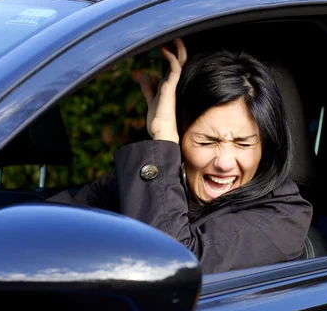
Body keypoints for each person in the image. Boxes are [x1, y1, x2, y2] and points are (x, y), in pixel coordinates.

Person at [49, 38, 312, 274]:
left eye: (243, 144)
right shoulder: (160, 175)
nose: (224, 162)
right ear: (181, 134)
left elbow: (169, 265)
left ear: (265, 146)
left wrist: (162, 138)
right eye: (207, 141)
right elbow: (57, 220)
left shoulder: (283, 218)